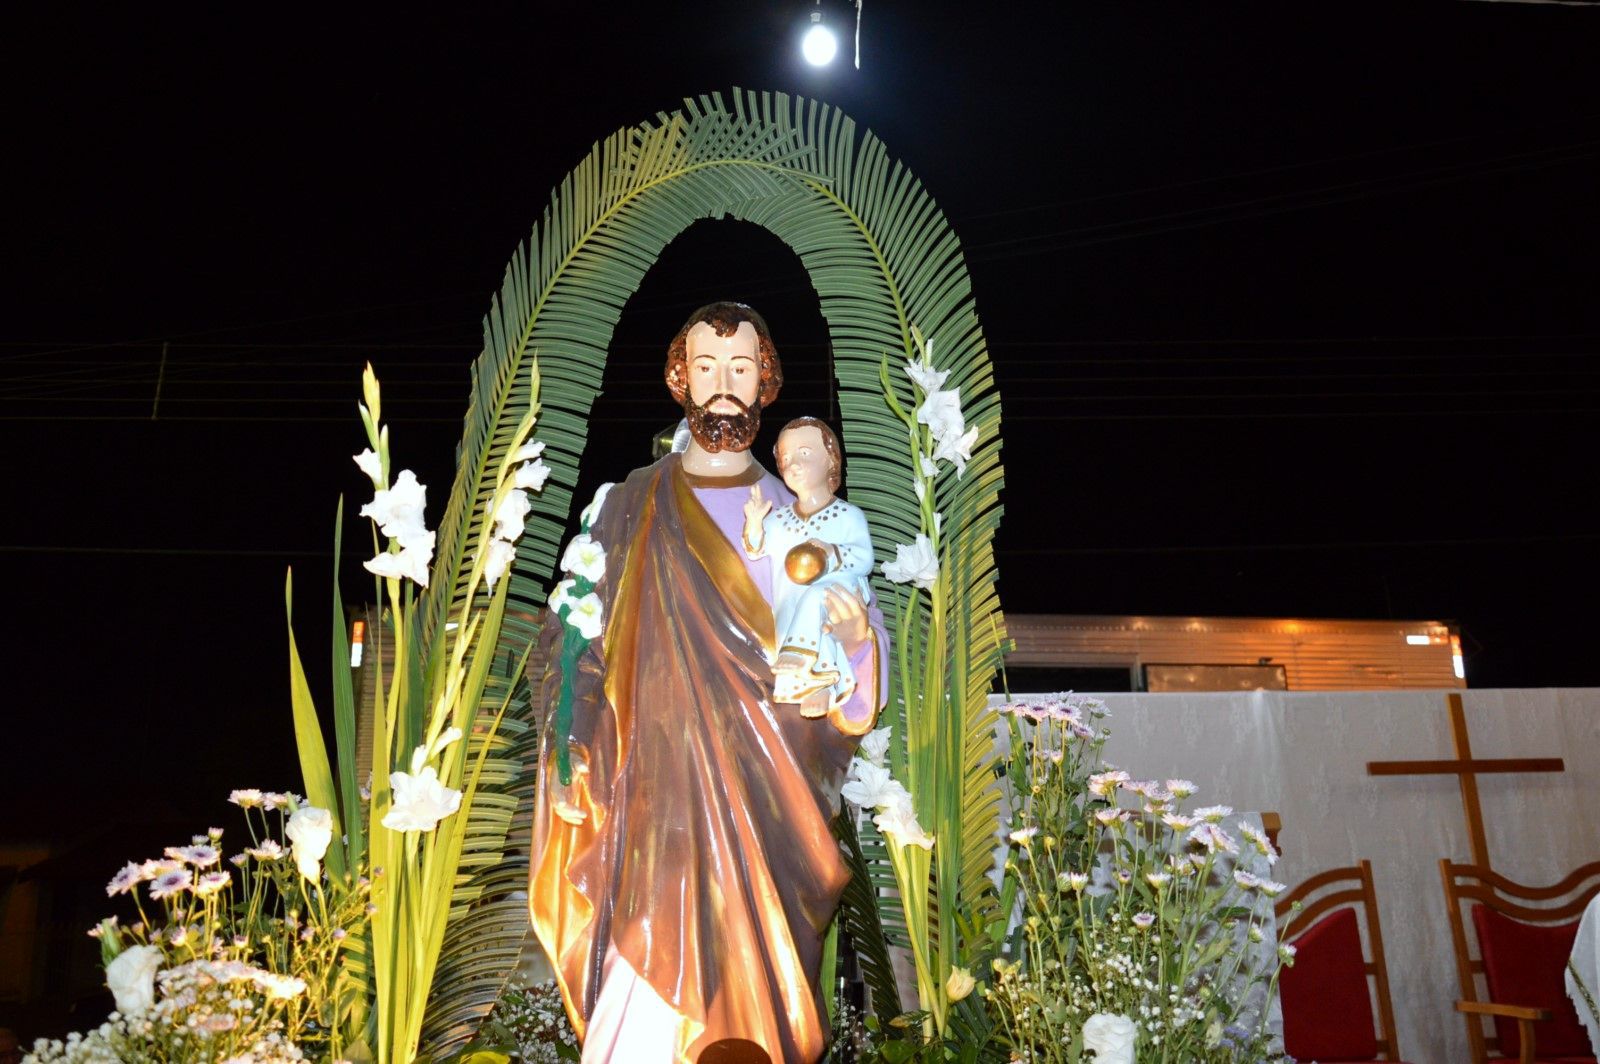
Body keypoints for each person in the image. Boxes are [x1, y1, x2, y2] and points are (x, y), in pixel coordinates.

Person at [529, 302, 888, 1064]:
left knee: (757, 1016)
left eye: (740, 367)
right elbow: (572, 636)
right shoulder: (629, 505)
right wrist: (570, 741)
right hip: (651, 803)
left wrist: (858, 646)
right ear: (680, 379)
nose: (723, 383)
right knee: (639, 1002)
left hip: (772, 804)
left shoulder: (802, 516)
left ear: (765, 382)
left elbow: (855, 657)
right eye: (706, 366)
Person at [742, 418, 875, 718]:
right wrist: (754, 524)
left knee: (817, 597)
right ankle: (816, 683)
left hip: (841, 592)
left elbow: (863, 558)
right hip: (791, 602)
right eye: (786, 458)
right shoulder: (779, 520)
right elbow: (756, 549)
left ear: (831, 459)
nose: (794, 464)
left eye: (804, 453)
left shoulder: (847, 515)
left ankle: (804, 665)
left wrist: (830, 554)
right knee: (805, 605)